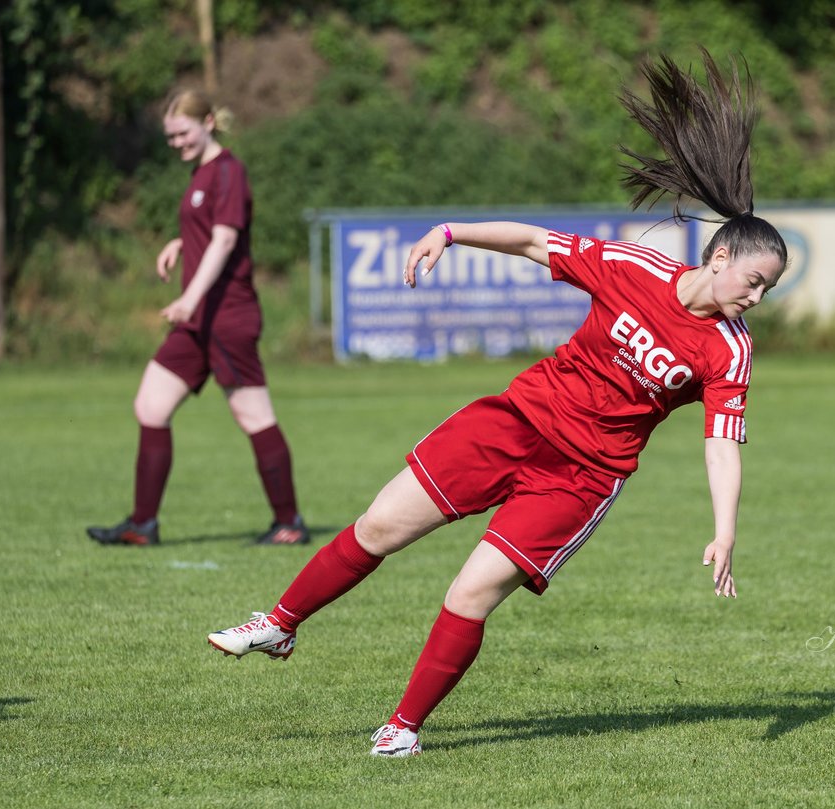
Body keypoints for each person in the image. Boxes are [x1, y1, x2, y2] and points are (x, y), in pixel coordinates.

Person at [206, 49, 789, 756]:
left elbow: (722, 441)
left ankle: (403, 728)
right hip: (513, 422)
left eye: (767, 291)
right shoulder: (637, 268)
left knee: (469, 594)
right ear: (720, 258)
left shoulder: (730, 350)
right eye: (753, 281)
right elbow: (533, 241)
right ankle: (279, 622)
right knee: (380, 526)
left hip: (579, 478)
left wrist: (725, 528)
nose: (755, 298)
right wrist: (450, 231)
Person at [87, 90, 309, 547]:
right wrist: (178, 242)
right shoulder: (202, 174)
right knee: (150, 405)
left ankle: (288, 522)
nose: (176, 143)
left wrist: (188, 297)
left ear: (208, 121)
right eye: (170, 136)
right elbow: (207, 232)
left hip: (226, 316)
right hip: (198, 320)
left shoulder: (230, 170)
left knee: (253, 415)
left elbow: (226, 240)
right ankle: (142, 525)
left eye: (182, 133)